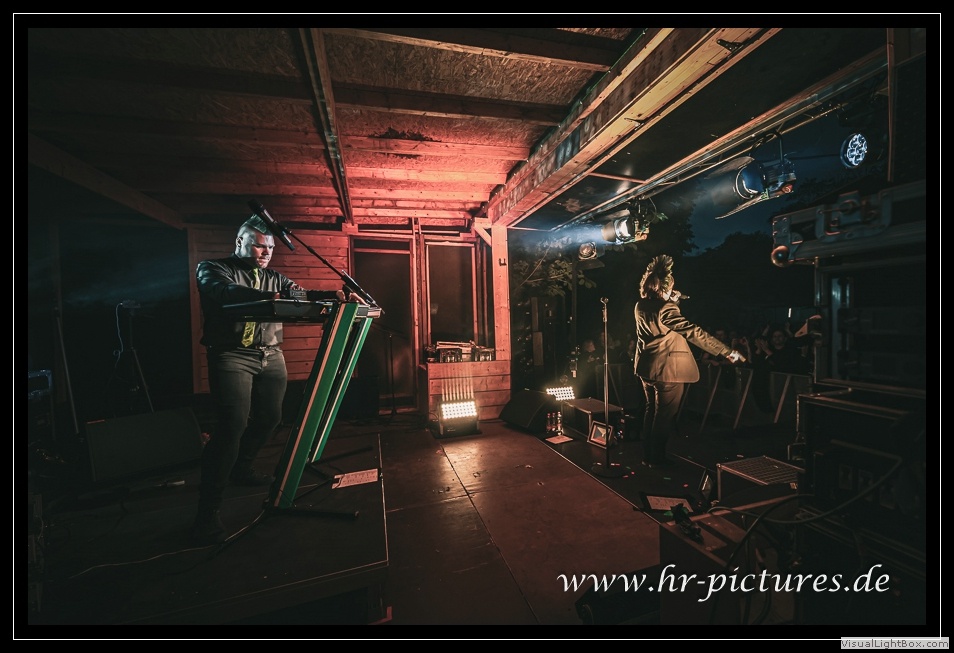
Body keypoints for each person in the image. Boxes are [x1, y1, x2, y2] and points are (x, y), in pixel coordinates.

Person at [191, 215, 349, 544]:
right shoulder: (212, 268)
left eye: (271, 248)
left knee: (270, 418)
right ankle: (207, 513)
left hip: (271, 354)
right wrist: (267, 297)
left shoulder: (274, 277)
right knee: (232, 426)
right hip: (232, 355)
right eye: (259, 246)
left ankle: (242, 468)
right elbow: (224, 292)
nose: (266, 253)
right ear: (240, 242)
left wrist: (335, 294)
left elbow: (300, 293)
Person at [633, 255, 743, 468]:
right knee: (664, 416)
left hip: (647, 368)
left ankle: (648, 456)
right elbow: (692, 332)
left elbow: (660, 323)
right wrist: (727, 352)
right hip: (667, 371)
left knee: (651, 411)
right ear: (665, 287)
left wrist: (671, 300)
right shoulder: (666, 308)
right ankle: (657, 459)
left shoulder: (640, 305)